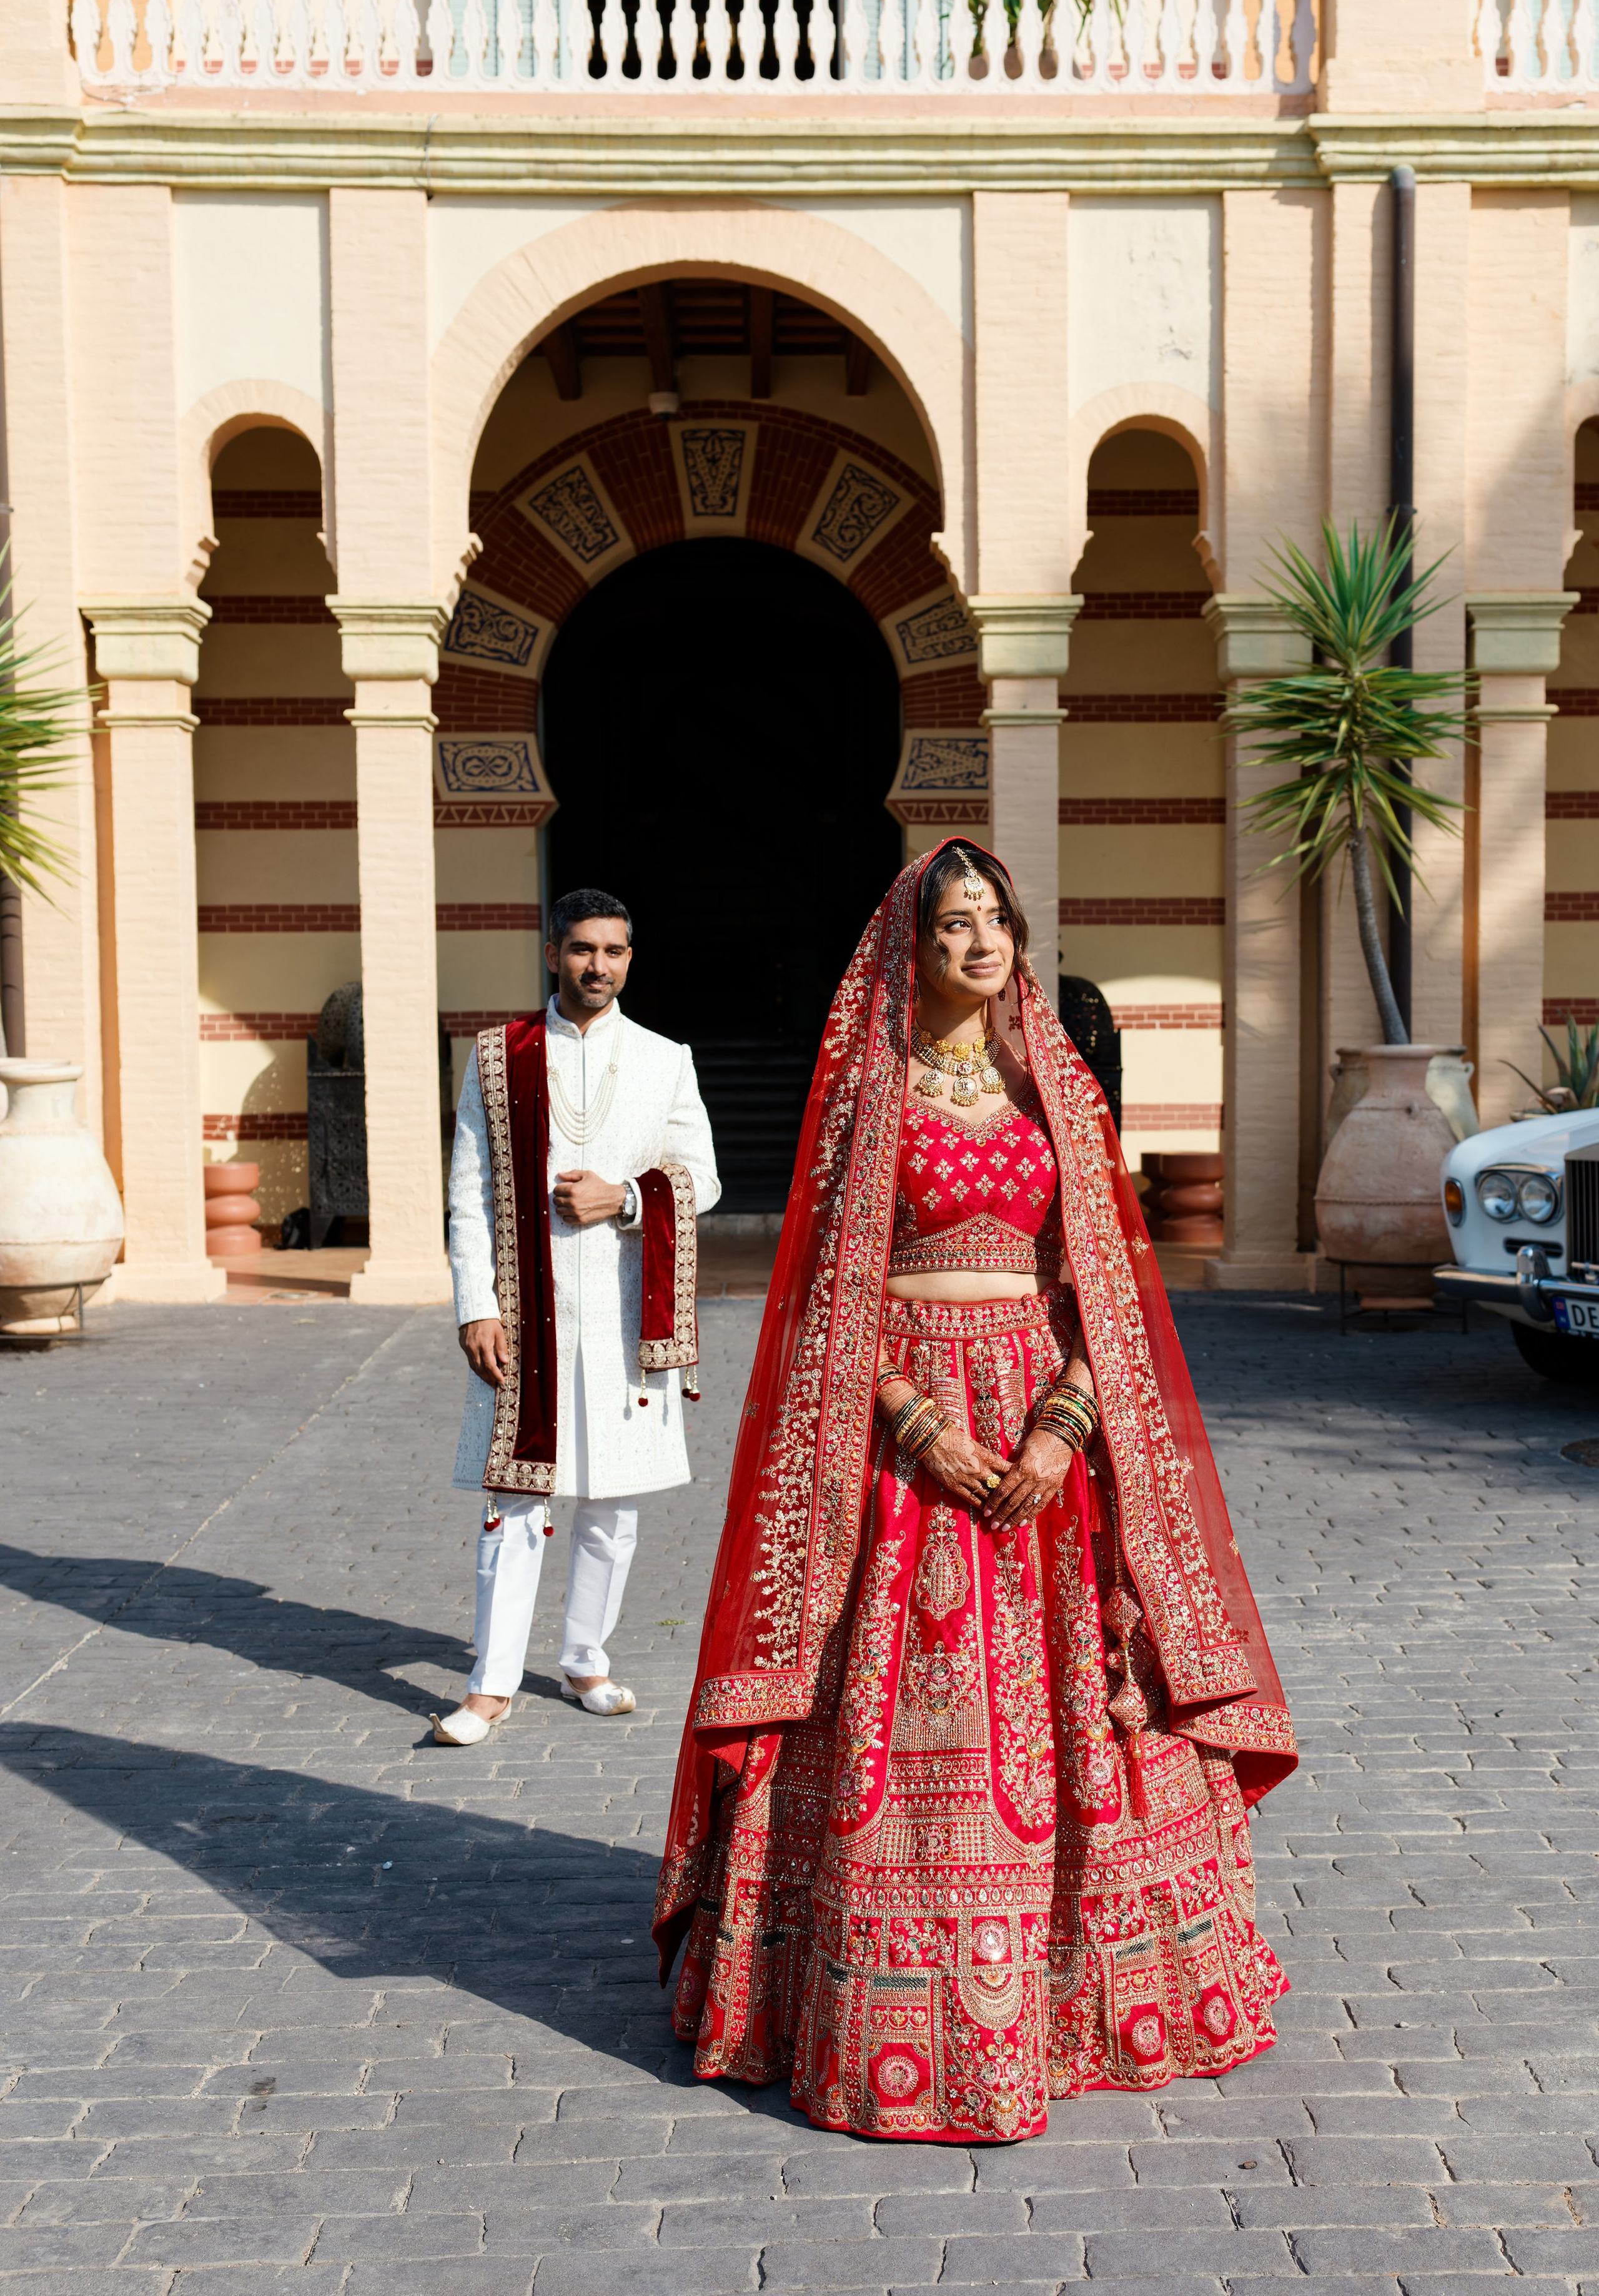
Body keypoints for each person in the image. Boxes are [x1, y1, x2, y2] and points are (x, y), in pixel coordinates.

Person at [653, 839, 1297, 2142]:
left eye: (994, 921)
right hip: (902, 1444)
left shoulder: (1053, 1087)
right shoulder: (866, 1100)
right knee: (900, 1697)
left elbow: (1096, 1289)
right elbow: (825, 1302)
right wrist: (913, 1423)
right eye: (951, 925)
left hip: (1044, 1431)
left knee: (1078, 1699)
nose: (978, 943)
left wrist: (1062, 1428)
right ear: (909, 946)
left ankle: (1082, 1996)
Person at [431, 888, 720, 1742]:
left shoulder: (666, 1058)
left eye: (616, 951)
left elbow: (701, 1178)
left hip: (628, 1310)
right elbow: (469, 1196)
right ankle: (490, 1684)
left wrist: (626, 1197)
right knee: (515, 1498)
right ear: (554, 952)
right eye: (585, 949)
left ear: (632, 959)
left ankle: (586, 1659)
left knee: (612, 1502)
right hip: (528, 1312)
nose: (600, 966)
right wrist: (477, 1306)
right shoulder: (497, 1056)